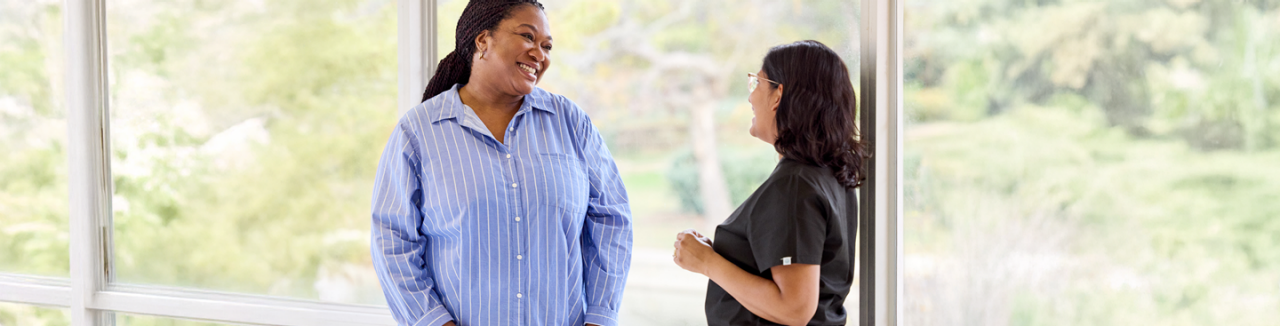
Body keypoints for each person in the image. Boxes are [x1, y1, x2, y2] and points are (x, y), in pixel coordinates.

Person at [370, 1, 633, 325]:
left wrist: (600, 316)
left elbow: (612, 220)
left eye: (547, 46)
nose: (540, 54)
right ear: (483, 40)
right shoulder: (419, 132)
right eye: (528, 37)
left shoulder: (570, 123)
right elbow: (392, 240)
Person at [672, 40, 866, 326]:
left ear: (778, 96)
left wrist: (706, 262)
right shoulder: (827, 175)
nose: (750, 98)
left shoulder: (795, 186)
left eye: (757, 83)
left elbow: (795, 308)